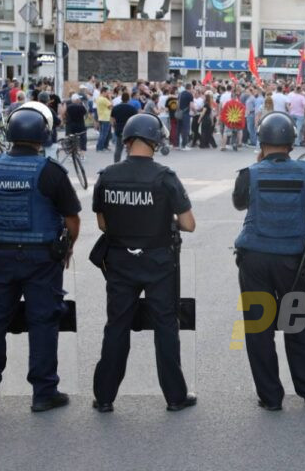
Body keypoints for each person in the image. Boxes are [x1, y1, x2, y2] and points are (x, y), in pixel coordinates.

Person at [0, 104, 81, 412]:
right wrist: (67, 248)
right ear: (43, 136)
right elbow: (72, 218)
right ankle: (44, 393)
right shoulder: (51, 171)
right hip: (42, 260)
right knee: (43, 322)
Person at [91, 114, 197, 412]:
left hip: (119, 262)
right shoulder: (165, 177)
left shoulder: (107, 176)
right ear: (155, 141)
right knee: (165, 327)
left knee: (117, 326)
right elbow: (189, 224)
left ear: (127, 140)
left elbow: (102, 224)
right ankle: (175, 397)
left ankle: (104, 397)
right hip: (159, 262)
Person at [232, 112, 305, 410]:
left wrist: (258, 163)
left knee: (259, 328)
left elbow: (239, 203)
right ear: (291, 143)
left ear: (261, 141)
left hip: (254, 259)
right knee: (298, 324)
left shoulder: (250, 172)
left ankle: (270, 398)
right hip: (293, 260)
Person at [110, 92, 138, 164]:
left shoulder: (115, 108)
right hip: (129, 129)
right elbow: (135, 119)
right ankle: (129, 163)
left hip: (119, 129)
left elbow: (112, 119)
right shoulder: (132, 108)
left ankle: (116, 163)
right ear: (128, 99)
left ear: (121, 98)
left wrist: (114, 127)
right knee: (129, 147)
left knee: (118, 148)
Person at [96, 88, 113, 152]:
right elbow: (111, 106)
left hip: (101, 117)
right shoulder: (104, 99)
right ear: (103, 92)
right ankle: (100, 147)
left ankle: (104, 146)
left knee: (103, 134)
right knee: (104, 134)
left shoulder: (98, 98)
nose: (108, 94)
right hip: (106, 118)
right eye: (107, 92)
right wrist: (110, 98)